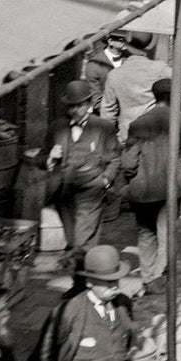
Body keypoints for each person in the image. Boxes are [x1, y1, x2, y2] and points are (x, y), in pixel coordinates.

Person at [121, 77, 181, 295]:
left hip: (142, 189)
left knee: (146, 234)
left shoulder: (138, 123)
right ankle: (158, 276)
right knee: (166, 233)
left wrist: (132, 177)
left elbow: (128, 162)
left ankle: (147, 277)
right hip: (169, 190)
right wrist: (180, 175)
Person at [47, 80, 121, 264]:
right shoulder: (57, 127)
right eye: (71, 106)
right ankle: (83, 278)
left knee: (82, 240)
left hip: (92, 190)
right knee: (73, 240)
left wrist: (105, 180)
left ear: (88, 105)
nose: (75, 110)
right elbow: (41, 157)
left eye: (79, 105)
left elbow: (114, 158)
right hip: (64, 192)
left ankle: (82, 281)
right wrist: (50, 157)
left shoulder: (103, 127)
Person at [100, 30, 170, 144]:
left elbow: (107, 112)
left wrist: (110, 138)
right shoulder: (159, 69)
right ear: (149, 46)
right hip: (153, 135)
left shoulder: (114, 74)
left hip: (126, 136)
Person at [83, 31, 127, 112]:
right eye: (120, 40)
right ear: (110, 42)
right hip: (105, 113)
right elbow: (96, 99)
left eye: (124, 39)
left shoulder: (128, 60)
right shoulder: (94, 65)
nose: (124, 42)